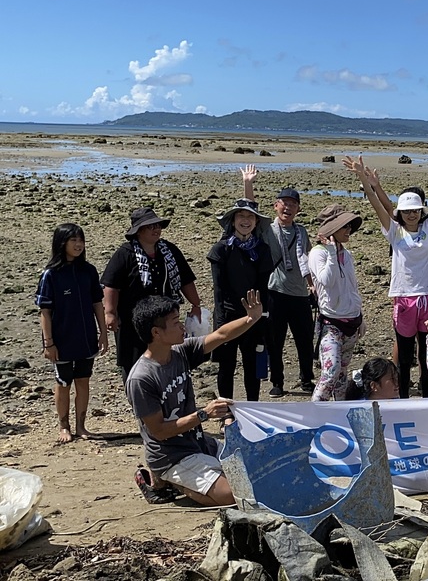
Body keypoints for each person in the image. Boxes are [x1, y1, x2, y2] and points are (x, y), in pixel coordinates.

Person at [346, 147, 428, 398]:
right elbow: (376, 205)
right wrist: (364, 179)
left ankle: (426, 400)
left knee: (427, 355)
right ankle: (402, 400)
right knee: (404, 359)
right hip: (404, 298)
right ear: (400, 213)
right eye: (407, 211)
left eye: (415, 210)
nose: (412, 214)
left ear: (421, 211)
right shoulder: (395, 231)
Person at [125, 290, 263, 507]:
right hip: (171, 455)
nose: (183, 327)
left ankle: (177, 478)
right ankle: (170, 480)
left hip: (198, 443)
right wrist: (204, 414)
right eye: (175, 323)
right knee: (233, 496)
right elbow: (159, 431)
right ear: (156, 332)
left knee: (257, 474)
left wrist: (250, 318)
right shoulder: (141, 379)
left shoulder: (181, 352)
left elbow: (221, 335)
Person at [101, 207, 202, 382]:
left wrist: (196, 304)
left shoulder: (169, 250)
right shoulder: (125, 253)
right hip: (132, 320)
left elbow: (185, 279)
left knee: (166, 354)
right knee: (133, 359)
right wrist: (110, 313)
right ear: (138, 231)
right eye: (150, 226)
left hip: (165, 317)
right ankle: (136, 390)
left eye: (157, 226)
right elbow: (111, 285)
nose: (156, 230)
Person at [242, 165, 316, 397]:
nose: (288, 207)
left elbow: (307, 259)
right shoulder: (267, 230)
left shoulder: (302, 232)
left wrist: (312, 284)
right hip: (275, 292)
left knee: (305, 340)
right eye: (284, 203)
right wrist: (248, 183)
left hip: (300, 294)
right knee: (275, 341)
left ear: (298, 209)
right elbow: (250, 211)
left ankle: (307, 378)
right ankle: (277, 381)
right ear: (276, 206)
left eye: (293, 204)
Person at [35, 223, 108, 443]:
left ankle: (81, 426)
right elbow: (45, 312)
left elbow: (97, 304)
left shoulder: (88, 271)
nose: (78, 244)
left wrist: (103, 333)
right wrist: (49, 343)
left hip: (85, 338)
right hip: (61, 340)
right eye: (73, 240)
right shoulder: (51, 274)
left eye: (81, 240)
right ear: (61, 243)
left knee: (83, 381)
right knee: (63, 383)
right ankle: (64, 426)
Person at [207, 199, 274, 404]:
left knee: (252, 364)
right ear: (233, 220)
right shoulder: (221, 249)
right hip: (228, 315)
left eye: (250, 216)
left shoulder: (262, 250)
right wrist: (219, 324)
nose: (245, 220)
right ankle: (225, 411)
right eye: (241, 216)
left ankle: (252, 408)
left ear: (256, 222)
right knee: (226, 365)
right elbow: (218, 291)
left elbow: (264, 288)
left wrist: (262, 318)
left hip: (252, 316)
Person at [309, 204, 365, 401]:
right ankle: (316, 410)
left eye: (349, 226)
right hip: (331, 323)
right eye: (344, 226)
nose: (349, 230)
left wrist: (360, 316)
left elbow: (352, 287)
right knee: (330, 371)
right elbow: (326, 280)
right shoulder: (318, 253)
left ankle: (339, 411)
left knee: (342, 373)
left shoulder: (346, 254)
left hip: (352, 322)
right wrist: (332, 254)